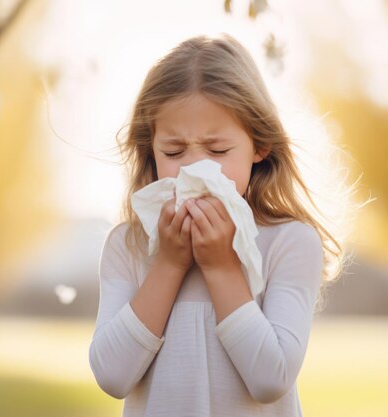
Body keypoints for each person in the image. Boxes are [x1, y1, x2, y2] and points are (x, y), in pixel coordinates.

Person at [88, 33, 350, 417]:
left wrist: (221, 266)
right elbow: (112, 376)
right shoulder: (128, 246)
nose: (196, 168)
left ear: (259, 145)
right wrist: (170, 264)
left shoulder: (289, 243)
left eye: (218, 151)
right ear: (151, 150)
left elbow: (270, 378)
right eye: (174, 151)